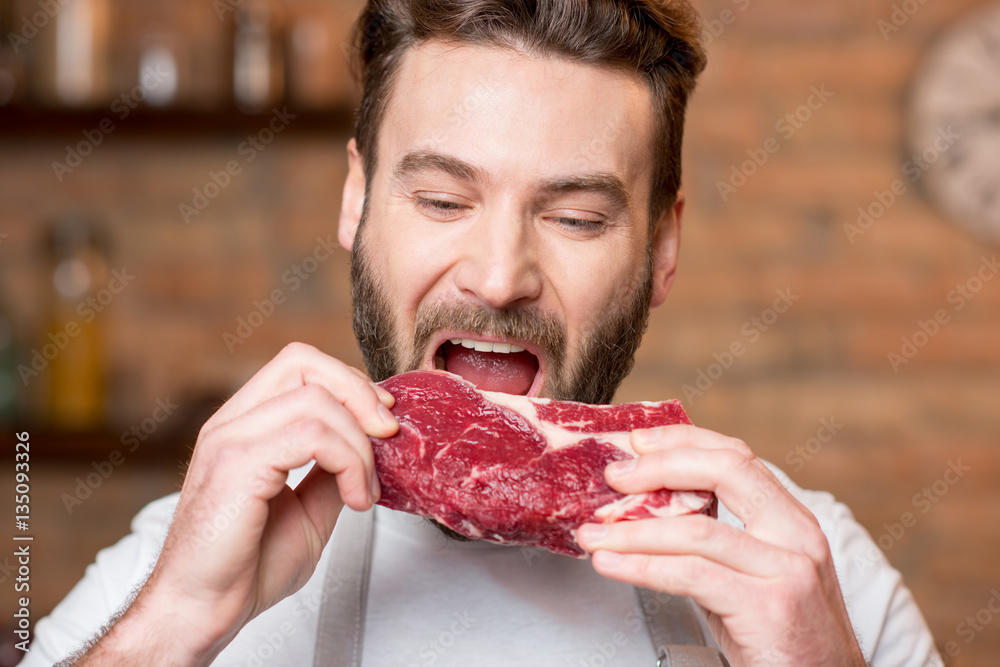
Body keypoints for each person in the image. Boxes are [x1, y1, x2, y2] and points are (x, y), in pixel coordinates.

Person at [25, 0, 942, 665]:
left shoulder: (815, 574)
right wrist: (172, 628)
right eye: (441, 199)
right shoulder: (182, 557)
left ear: (663, 245)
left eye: (577, 217)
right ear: (357, 200)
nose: (499, 276)